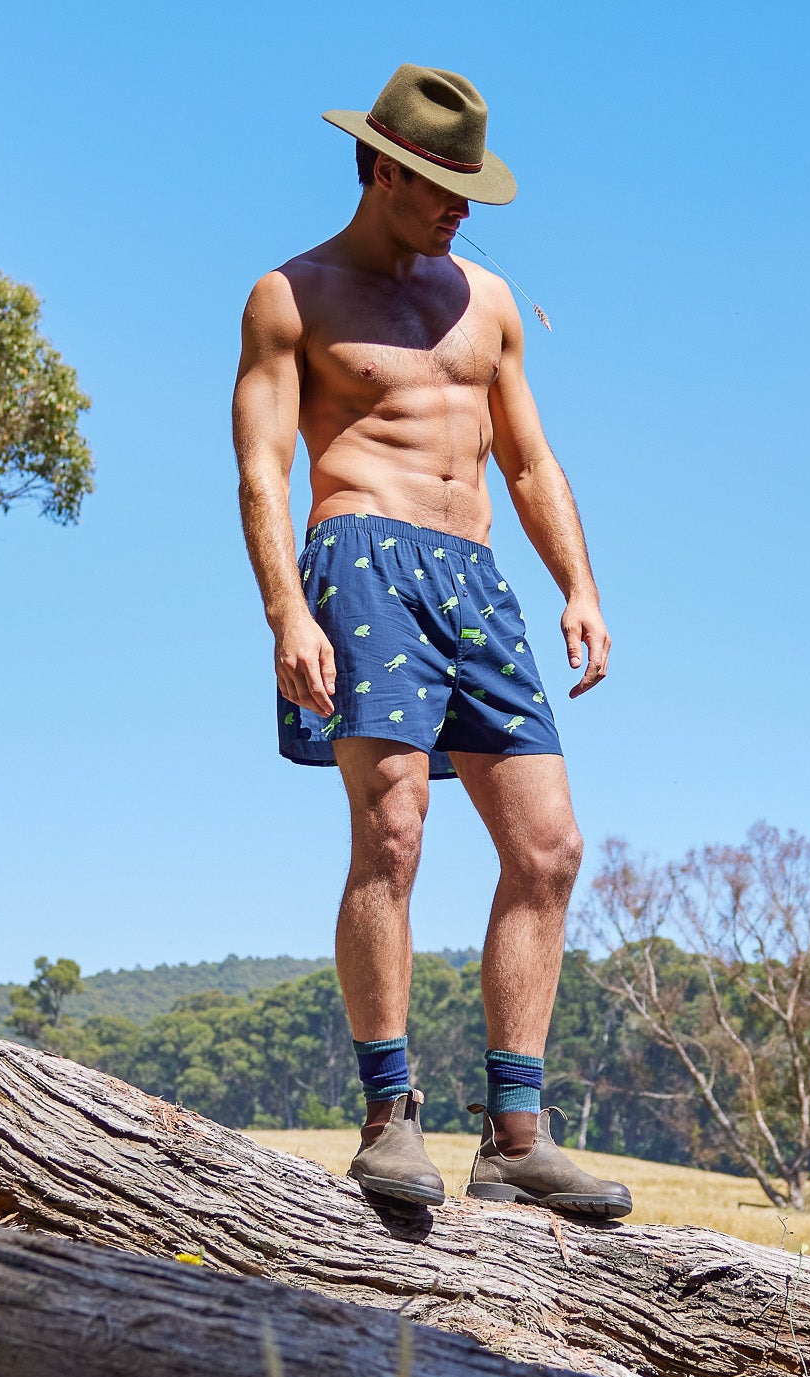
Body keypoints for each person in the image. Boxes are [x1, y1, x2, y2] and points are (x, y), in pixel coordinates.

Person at [233, 64, 630, 1219]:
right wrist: (284, 609)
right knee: (393, 833)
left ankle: (514, 1136)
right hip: (360, 558)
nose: (461, 207)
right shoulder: (290, 295)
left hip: (477, 577)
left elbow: (528, 459)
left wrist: (578, 585)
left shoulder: (489, 302)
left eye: (471, 187)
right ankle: (388, 1113)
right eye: (441, 185)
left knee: (548, 847)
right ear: (378, 168)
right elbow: (260, 465)